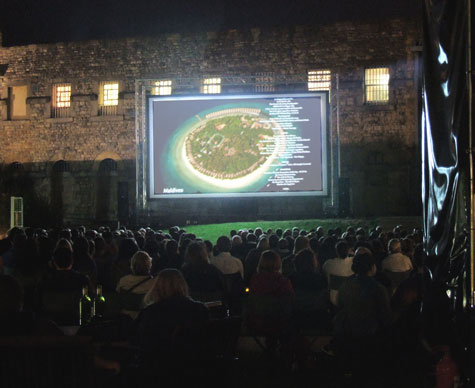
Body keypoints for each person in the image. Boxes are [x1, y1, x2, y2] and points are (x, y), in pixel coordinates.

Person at [132, 269, 210, 370]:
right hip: (196, 365)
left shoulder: (150, 312)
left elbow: (136, 338)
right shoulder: (201, 309)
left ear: (157, 287)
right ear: (183, 285)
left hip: (159, 367)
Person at [116, 251, 155, 318]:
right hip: (146, 318)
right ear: (149, 265)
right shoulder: (154, 282)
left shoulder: (124, 280)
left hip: (127, 317)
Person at [322, 240, 354, 306]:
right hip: (351, 298)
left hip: (333, 299)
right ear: (348, 250)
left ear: (336, 251)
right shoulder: (354, 262)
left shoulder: (328, 264)